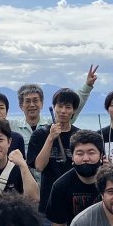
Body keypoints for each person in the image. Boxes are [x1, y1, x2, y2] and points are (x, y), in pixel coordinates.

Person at [0, 66, 97, 148]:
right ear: (21, 105)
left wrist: (87, 87)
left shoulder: (53, 125)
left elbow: (72, 109)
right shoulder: (11, 127)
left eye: (35, 100)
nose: (32, 105)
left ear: (42, 104)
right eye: (27, 101)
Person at [47, 130, 106, 226]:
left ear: (101, 155)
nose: (85, 158)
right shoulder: (60, 186)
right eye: (79, 153)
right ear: (72, 157)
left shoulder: (111, 183)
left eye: (91, 152)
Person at [26, 87, 82, 215]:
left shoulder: (79, 136)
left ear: (74, 110)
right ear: (54, 107)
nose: (63, 111)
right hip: (48, 201)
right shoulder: (40, 134)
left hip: (74, 200)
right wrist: (50, 138)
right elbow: (39, 166)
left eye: (68, 107)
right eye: (60, 106)